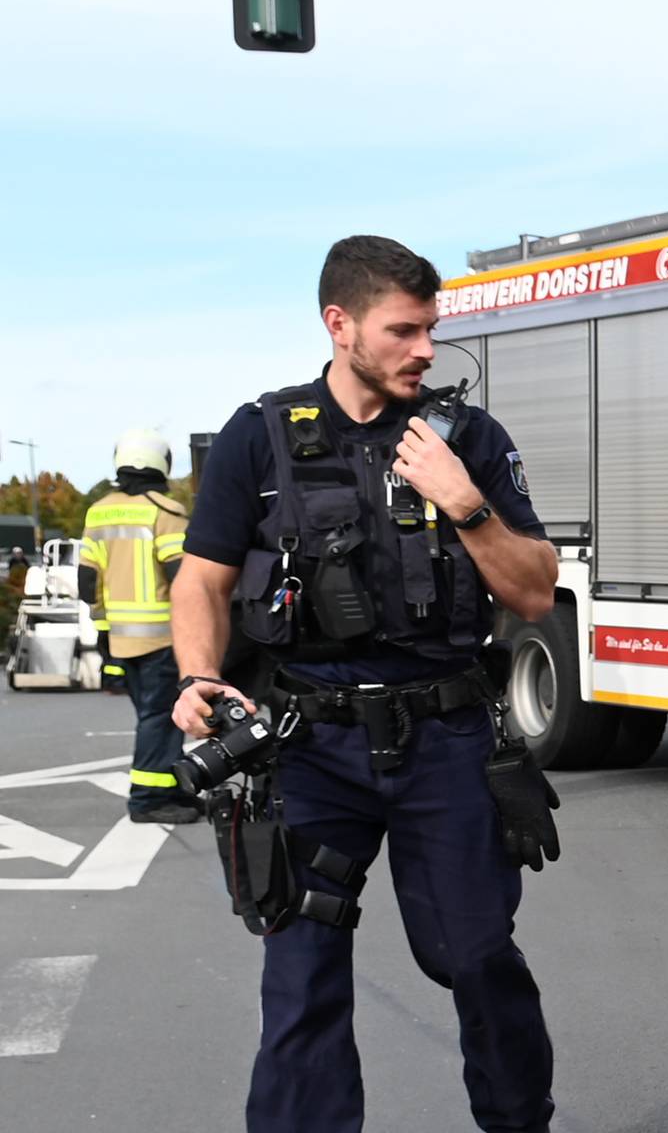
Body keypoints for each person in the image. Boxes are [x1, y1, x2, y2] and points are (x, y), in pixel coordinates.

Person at [170, 235, 565, 1133]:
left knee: (473, 955)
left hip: (446, 739)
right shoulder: (260, 437)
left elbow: (535, 590)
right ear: (339, 324)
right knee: (300, 973)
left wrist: (463, 500)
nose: (426, 349)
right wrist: (197, 675)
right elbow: (202, 579)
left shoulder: (466, 438)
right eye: (405, 330)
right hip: (309, 746)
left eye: (432, 329)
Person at [75, 428, 196, 822]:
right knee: (160, 719)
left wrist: (102, 627)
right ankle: (148, 799)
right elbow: (184, 579)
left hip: (119, 639)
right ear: (162, 462)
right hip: (163, 638)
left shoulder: (99, 511)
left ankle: (174, 790)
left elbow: (87, 581)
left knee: (154, 718)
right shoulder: (165, 512)